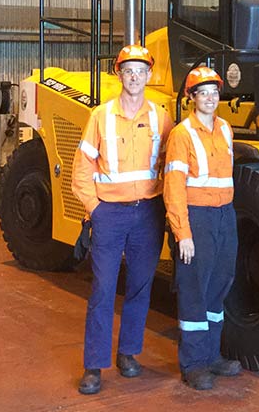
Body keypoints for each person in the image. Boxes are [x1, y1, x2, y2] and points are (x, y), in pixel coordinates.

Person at [71, 44, 173, 395]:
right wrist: (95, 209)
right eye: (128, 70)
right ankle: (94, 366)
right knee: (102, 289)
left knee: (141, 287)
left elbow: (171, 167)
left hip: (148, 212)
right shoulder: (100, 116)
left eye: (140, 71)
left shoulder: (161, 116)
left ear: (148, 76)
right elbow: (81, 169)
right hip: (109, 214)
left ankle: (128, 353)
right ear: (119, 75)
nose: (134, 76)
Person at [163, 66, 241, 390]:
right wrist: (183, 233)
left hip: (225, 214)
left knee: (219, 285)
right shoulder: (182, 134)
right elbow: (174, 185)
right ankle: (193, 364)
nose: (210, 98)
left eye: (214, 92)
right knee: (195, 288)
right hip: (197, 216)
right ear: (191, 97)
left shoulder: (225, 129)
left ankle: (212, 356)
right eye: (202, 92)